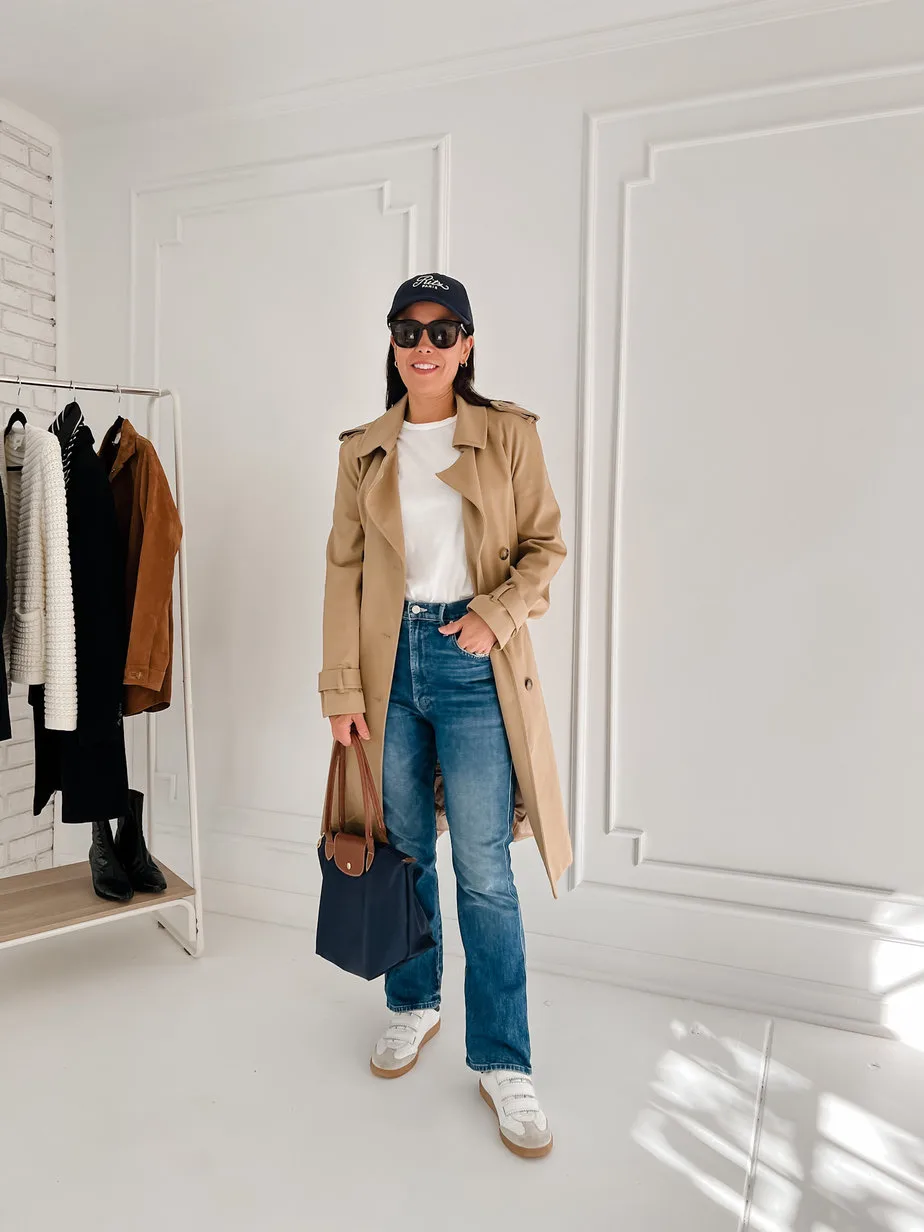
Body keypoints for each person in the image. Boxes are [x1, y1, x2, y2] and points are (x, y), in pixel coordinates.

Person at [318, 272, 569, 1159]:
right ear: (392, 345)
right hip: (388, 670)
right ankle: (414, 1002)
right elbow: (343, 571)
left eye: (442, 330)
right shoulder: (364, 449)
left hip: (472, 664)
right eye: (407, 330)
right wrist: (342, 691)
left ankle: (504, 1060)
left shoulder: (506, 435)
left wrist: (491, 618)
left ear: (467, 345)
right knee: (404, 854)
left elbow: (545, 546)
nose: (423, 346)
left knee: (485, 870)